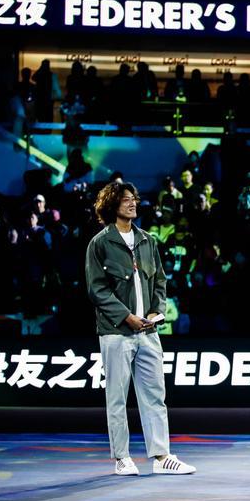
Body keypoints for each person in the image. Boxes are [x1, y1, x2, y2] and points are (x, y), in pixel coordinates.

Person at [85, 181, 195, 476]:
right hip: (116, 331)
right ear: (112, 205)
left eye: (134, 198)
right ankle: (121, 457)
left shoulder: (148, 240)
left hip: (148, 331)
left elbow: (159, 280)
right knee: (117, 396)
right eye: (125, 200)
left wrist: (157, 310)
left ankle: (161, 456)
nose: (132, 203)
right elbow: (97, 290)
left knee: (155, 394)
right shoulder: (100, 243)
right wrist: (126, 316)